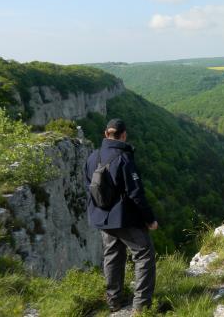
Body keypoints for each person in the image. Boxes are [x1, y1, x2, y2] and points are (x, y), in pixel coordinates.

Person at [85, 118, 158, 313]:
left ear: (105, 134)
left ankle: (113, 301)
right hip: (124, 218)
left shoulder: (93, 157)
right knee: (144, 254)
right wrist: (150, 219)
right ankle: (141, 307)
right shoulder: (124, 158)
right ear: (124, 135)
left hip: (102, 218)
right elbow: (136, 193)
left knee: (113, 256)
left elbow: (89, 186)